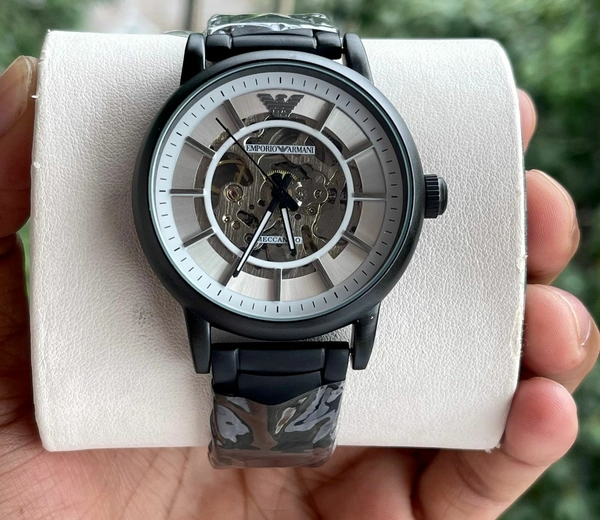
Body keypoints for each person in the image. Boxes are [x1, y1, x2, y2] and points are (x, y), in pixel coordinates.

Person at [0, 55, 597, 520]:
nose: (281, 188)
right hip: (249, 298)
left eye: (286, 185)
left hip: (271, 292)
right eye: (274, 183)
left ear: (422, 197)